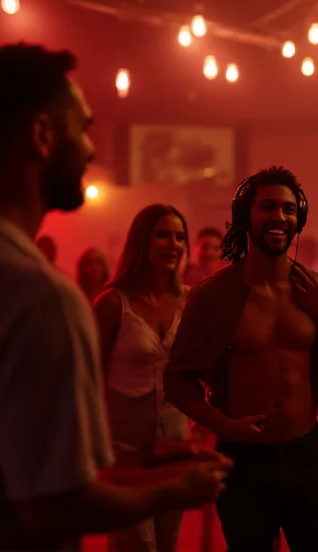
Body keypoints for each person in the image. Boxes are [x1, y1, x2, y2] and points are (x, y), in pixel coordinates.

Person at [0, 43, 231, 551]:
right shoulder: (42, 297)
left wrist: (139, 467)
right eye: (83, 127)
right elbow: (54, 504)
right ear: (42, 135)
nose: (92, 149)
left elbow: (2, 457)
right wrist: (175, 489)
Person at [164, 166, 318, 552]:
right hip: (244, 461)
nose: (279, 217)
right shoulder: (214, 295)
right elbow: (176, 381)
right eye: (267, 207)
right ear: (243, 217)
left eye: (288, 209)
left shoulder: (317, 291)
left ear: (298, 218)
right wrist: (225, 426)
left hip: (305, 453)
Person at [94, 204, 193, 552]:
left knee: (167, 544)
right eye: (163, 234)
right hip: (125, 448)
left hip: (175, 445)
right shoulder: (112, 303)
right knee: (138, 544)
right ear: (142, 241)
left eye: (180, 237)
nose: (173, 244)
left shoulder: (190, 301)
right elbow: (89, 379)